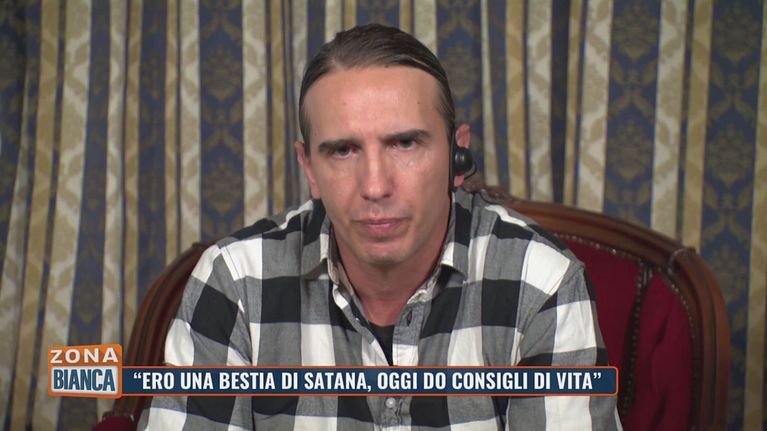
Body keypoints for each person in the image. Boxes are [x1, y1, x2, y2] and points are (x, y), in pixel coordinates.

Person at [140, 23, 620, 430]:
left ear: (456, 157)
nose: (375, 186)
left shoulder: (542, 283)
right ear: (310, 168)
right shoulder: (234, 282)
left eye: (405, 143)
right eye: (343, 150)